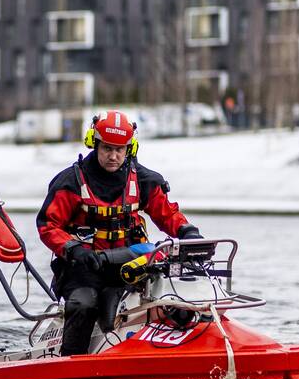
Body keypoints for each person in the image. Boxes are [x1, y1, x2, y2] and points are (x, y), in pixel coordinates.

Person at [37, 110, 203, 356]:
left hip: (132, 265)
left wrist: (187, 231)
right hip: (84, 268)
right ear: (95, 143)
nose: (113, 156)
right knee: (84, 304)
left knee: (174, 294)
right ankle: (72, 363)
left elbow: (166, 213)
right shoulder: (70, 183)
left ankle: (184, 346)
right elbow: (48, 225)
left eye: (119, 149)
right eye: (107, 148)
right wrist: (73, 249)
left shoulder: (144, 180)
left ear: (130, 148)